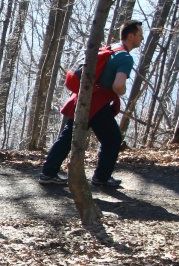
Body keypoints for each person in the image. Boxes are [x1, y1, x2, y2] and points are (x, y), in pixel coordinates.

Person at [39, 20, 144, 188]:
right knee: (113, 139)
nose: (142, 38)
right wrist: (121, 91)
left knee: (68, 137)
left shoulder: (112, 48)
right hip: (97, 104)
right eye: (140, 35)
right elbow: (118, 86)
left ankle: (48, 173)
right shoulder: (125, 57)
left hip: (82, 97)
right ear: (130, 36)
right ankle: (101, 178)